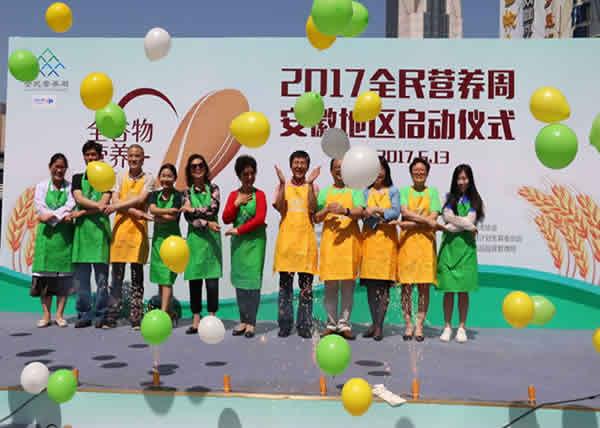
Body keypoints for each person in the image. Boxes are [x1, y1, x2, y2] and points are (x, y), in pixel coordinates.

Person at [104, 144, 154, 329]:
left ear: (143, 158)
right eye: (131, 155)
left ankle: (136, 317)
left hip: (138, 232)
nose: (134, 159)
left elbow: (141, 199)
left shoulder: (149, 178)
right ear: (127, 157)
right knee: (116, 277)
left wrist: (117, 207)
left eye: (137, 156)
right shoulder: (119, 176)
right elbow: (115, 199)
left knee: (137, 276)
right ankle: (112, 315)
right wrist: (135, 211)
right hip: (120, 231)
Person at [314, 159, 365, 340]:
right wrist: (327, 209)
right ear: (331, 171)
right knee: (330, 287)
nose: (340, 171)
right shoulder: (325, 192)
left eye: (343, 168)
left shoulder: (355, 190)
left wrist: (345, 211)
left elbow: (361, 212)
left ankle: (344, 324)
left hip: (349, 245)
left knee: (348, 288)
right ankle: (331, 323)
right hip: (330, 246)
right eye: (337, 168)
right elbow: (316, 217)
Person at [273, 151, 320, 339]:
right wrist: (282, 184)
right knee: (285, 289)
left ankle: (304, 325)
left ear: (307, 166)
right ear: (291, 165)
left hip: (306, 245)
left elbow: (313, 209)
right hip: (286, 245)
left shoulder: (313, 186)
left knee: (306, 289)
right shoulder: (282, 186)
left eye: (302, 163)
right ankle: (285, 324)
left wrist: (310, 184)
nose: (299, 166)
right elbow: (280, 208)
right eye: (296, 162)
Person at [397, 157, 443, 342]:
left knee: (424, 287)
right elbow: (404, 212)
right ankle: (408, 324)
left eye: (422, 170)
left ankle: (419, 325)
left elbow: (434, 216)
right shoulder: (403, 191)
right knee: (406, 287)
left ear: (427, 173)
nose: (419, 173)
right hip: (407, 246)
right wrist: (425, 222)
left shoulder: (433, 192)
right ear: (411, 172)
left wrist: (410, 223)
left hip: (426, 246)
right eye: (416, 170)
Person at [437, 164, 484, 343]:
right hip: (449, 249)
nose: (462, 182)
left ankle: (462, 327)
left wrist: (451, 226)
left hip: (466, 250)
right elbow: (448, 217)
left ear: (470, 179)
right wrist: (467, 226)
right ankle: (447, 326)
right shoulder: (448, 198)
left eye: (465, 178)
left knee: (463, 291)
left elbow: (469, 219)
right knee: (448, 291)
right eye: (459, 178)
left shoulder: (475, 200)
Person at [222, 155, 267, 338]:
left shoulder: (260, 195)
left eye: (252, 173)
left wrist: (239, 230)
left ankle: (251, 323)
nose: (249, 177)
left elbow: (260, 218)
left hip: (255, 244)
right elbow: (226, 218)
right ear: (239, 175)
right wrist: (236, 203)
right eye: (245, 174)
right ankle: (243, 320)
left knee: (253, 282)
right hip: (239, 246)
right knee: (240, 282)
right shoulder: (234, 195)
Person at [31, 153, 76, 328]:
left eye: (62, 167)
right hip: (47, 238)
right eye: (56, 166)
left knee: (63, 280)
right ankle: (46, 315)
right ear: (50, 167)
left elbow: (70, 205)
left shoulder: (70, 187)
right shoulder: (42, 186)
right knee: (45, 280)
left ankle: (59, 315)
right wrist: (56, 217)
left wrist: (53, 217)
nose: (59, 170)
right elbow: (40, 206)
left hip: (64, 238)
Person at [71, 141, 112, 329]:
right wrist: (97, 207)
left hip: (100, 233)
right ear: (84, 157)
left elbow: (106, 199)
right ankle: (84, 314)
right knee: (81, 280)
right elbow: (79, 198)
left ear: (100, 156)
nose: (90, 158)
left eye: (94, 154)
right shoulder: (77, 178)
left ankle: (101, 314)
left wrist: (83, 211)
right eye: (87, 154)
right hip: (82, 233)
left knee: (102, 280)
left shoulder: (107, 178)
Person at [181, 154, 222, 335]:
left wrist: (193, 210)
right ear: (189, 171)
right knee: (195, 281)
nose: (197, 169)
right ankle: (196, 319)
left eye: (200, 165)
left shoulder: (214, 189)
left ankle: (212, 318)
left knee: (212, 281)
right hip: (195, 241)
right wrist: (207, 223)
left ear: (205, 168)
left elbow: (213, 210)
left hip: (212, 241)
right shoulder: (185, 193)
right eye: (193, 166)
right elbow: (189, 218)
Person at [360, 156, 400, 341]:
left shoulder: (393, 190)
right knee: (370, 286)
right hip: (369, 242)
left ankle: (379, 326)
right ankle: (374, 322)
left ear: (386, 171)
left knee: (383, 286)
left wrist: (376, 211)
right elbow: (363, 214)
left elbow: (395, 212)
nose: (379, 173)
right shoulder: (365, 191)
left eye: (382, 169)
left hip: (387, 243)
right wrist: (379, 216)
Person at [149, 163, 183, 321]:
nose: (166, 179)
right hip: (158, 241)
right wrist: (167, 211)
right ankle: (169, 311)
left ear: (175, 178)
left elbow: (173, 217)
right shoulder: (154, 194)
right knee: (160, 277)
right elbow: (152, 210)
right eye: (163, 176)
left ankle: (163, 314)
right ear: (159, 178)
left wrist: (159, 216)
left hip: (172, 242)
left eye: (169, 176)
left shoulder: (178, 195)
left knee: (167, 278)